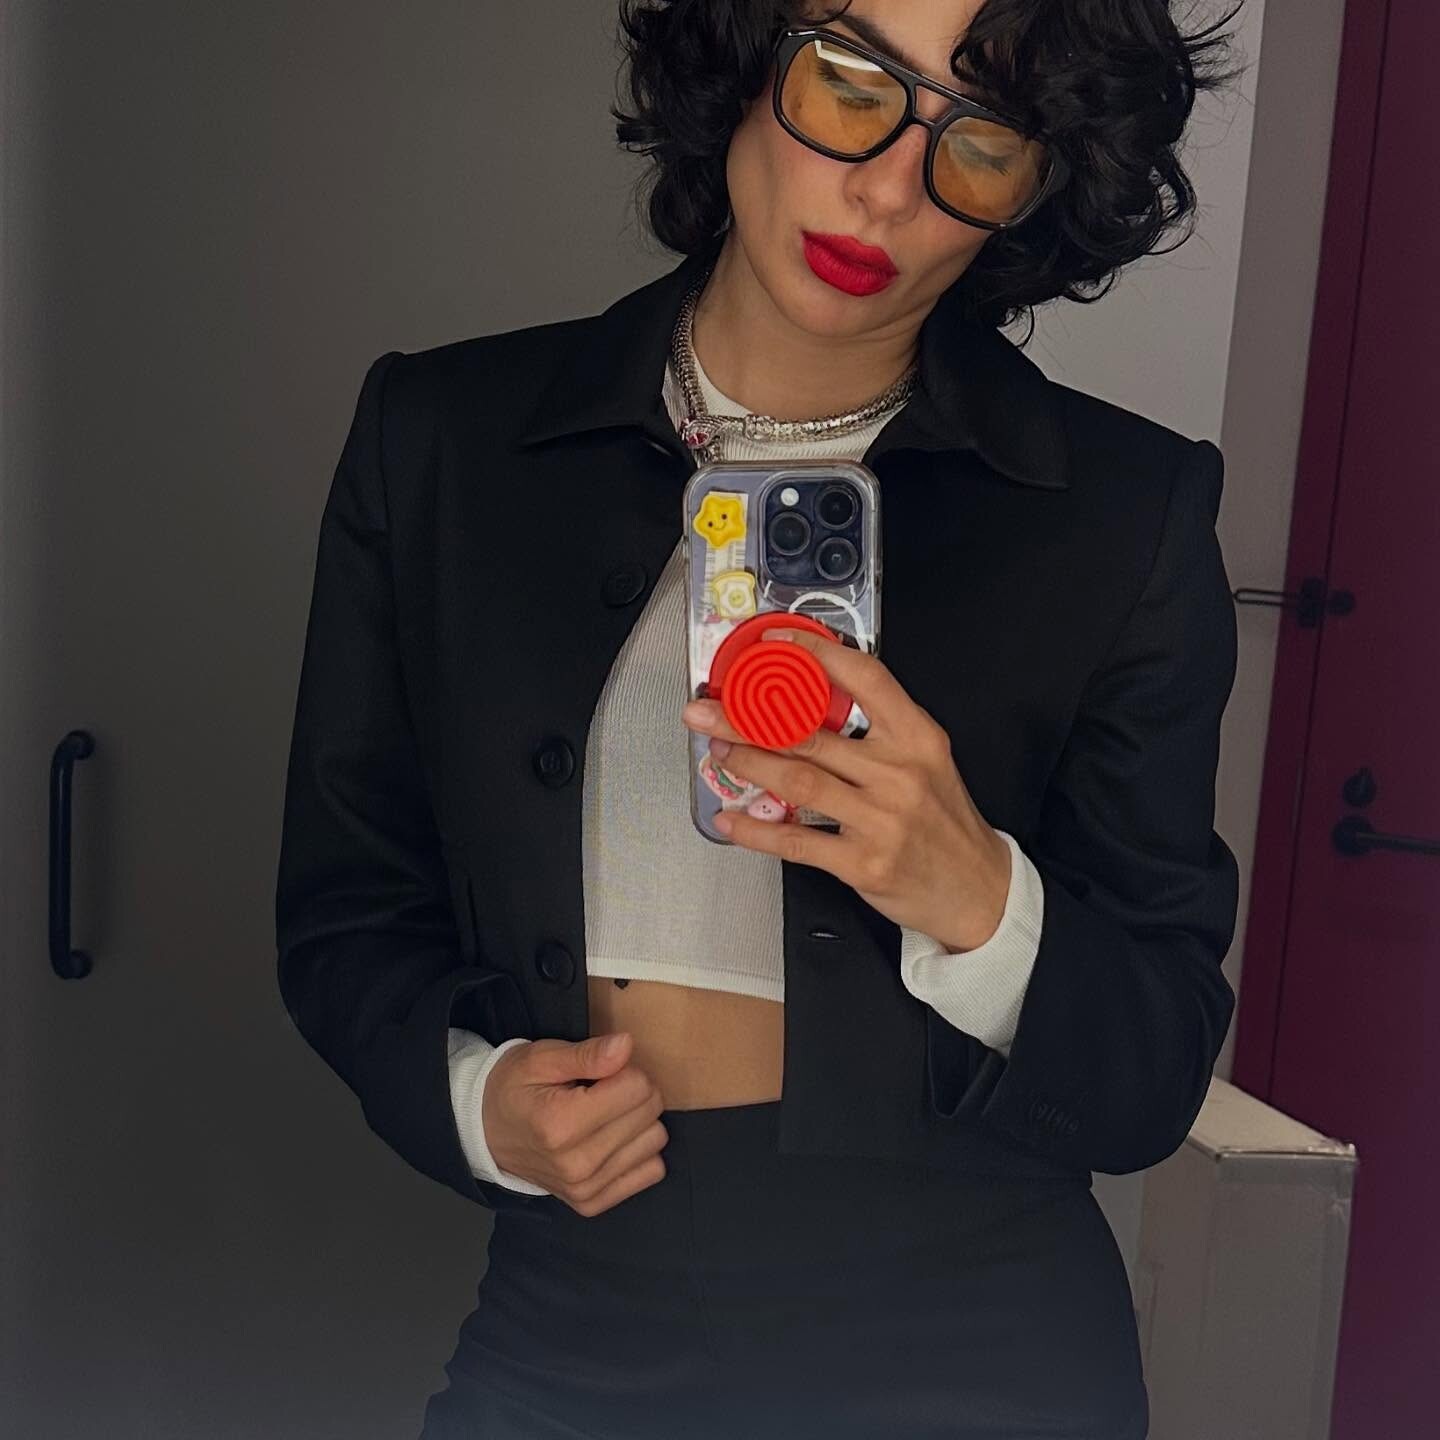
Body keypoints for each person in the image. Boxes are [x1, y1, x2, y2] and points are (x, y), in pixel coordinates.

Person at [275, 1, 1248, 1436]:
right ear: (742, 59)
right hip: (568, 1330)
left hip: (981, 1354)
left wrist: (981, 902)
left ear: (1039, 190)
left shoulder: (1123, 516)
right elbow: (347, 908)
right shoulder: (442, 445)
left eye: (983, 144)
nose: (891, 187)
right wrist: (476, 1101)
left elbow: (1152, 1075)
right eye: (850, 81)